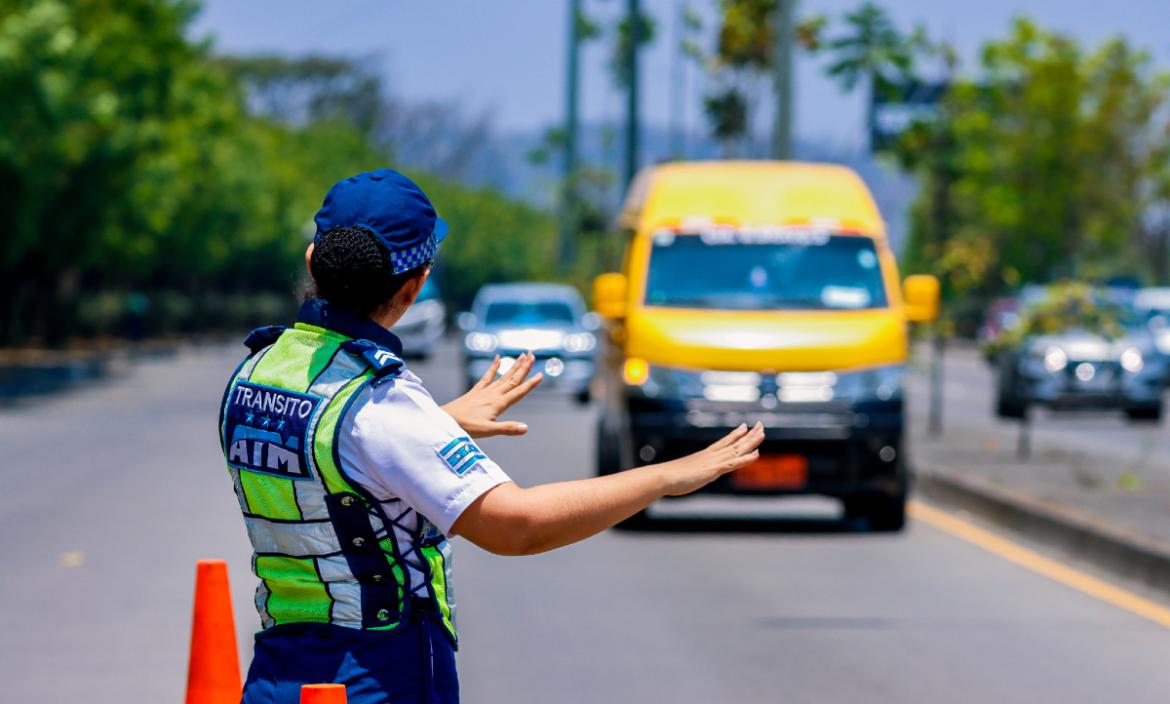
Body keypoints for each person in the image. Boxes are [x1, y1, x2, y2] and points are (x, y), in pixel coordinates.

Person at [218, 168, 765, 704]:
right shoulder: (382, 403)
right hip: (377, 676)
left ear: (313, 259)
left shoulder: (256, 372)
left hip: (278, 674)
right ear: (415, 285)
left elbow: (329, 460)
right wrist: (666, 476)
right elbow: (516, 526)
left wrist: (440, 423)